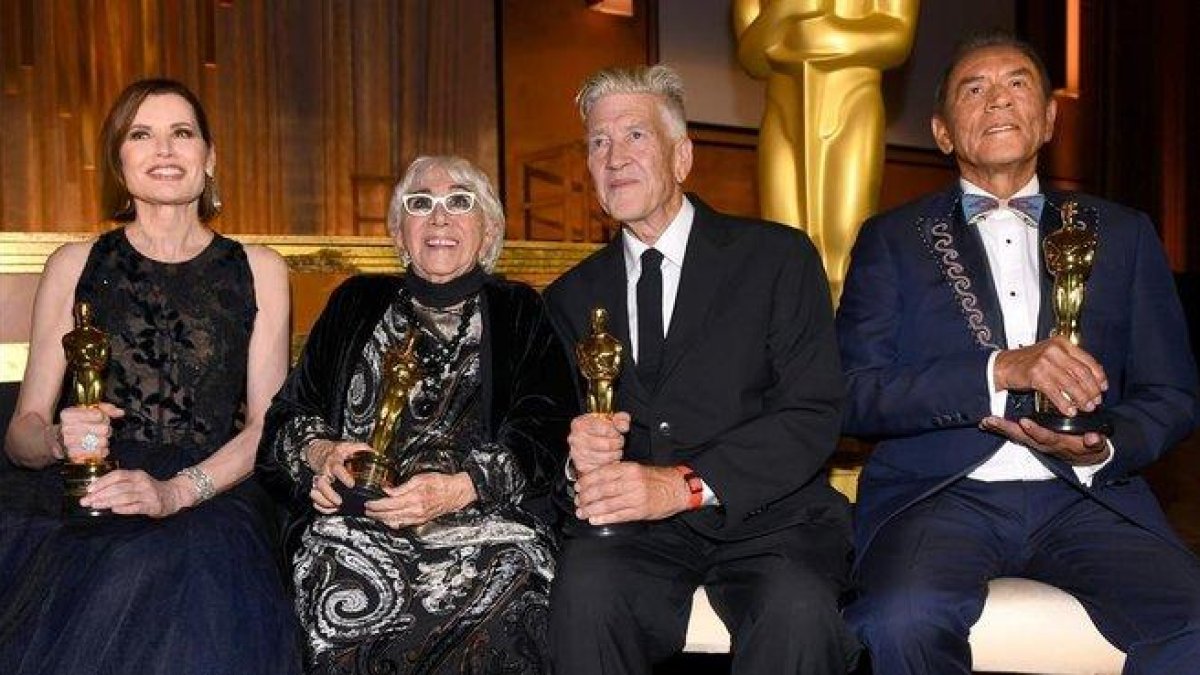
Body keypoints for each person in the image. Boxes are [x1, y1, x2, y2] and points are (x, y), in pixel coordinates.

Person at [836, 32, 1200, 674]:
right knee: (901, 618)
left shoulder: (1124, 233)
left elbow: (1172, 394)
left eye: (1017, 82)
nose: (997, 99)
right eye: (973, 89)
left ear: (1049, 117)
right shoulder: (891, 239)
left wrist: (1104, 445)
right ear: (943, 132)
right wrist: (998, 371)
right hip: (940, 495)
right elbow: (855, 392)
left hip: (1088, 497)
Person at [544, 64, 857, 674]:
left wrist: (683, 484)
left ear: (682, 156)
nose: (613, 157)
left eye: (634, 136)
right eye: (597, 143)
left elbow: (813, 413)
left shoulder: (776, 258)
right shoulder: (570, 297)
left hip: (771, 516)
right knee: (582, 595)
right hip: (634, 531)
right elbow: (553, 431)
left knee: (796, 610)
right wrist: (573, 452)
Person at [0, 78, 300, 674]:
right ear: (119, 160)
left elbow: (268, 427)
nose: (164, 149)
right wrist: (61, 440)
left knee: (185, 574)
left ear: (210, 158)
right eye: (142, 134)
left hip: (212, 489)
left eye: (181, 133)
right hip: (93, 489)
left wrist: (175, 492)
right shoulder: (74, 264)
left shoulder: (261, 269)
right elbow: (21, 433)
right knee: (103, 570)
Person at [256, 155, 575, 674]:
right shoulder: (355, 302)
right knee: (343, 592)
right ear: (399, 232)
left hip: (484, 527)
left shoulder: (519, 310)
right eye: (420, 203)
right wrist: (321, 457)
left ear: (488, 229)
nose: (440, 217)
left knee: (506, 589)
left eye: (460, 202)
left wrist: (459, 488)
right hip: (354, 526)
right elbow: (287, 419)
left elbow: (546, 433)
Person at [733, 0, 918, 300]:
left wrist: (825, 34)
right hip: (781, 114)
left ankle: (844, 342)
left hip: (853, 103)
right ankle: (791, 342)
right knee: (783, 252)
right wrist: (788, 10)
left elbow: (897, 38)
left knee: (845, 248)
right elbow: (751, 56)